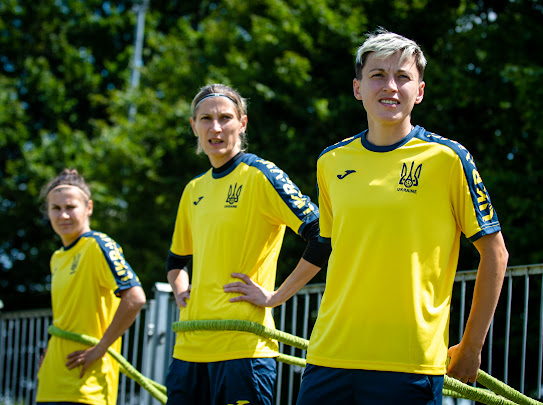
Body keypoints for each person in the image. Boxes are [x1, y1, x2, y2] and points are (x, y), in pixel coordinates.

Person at [292, 29, 509, 404]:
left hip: (409, 364)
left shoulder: (449, 159)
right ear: (358, 88)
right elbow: (329, 246)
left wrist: (472, 346)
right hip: (328, 356)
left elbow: (496, 253)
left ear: (419, 91)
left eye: (402, 76)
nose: (390, 86)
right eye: (377, 75)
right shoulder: (330, 162)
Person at [165, 83, 329, 405]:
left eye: (225, 118)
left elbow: (323, 234)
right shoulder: (193, 189)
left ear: (242, 123)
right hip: (189, 349)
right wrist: (181, 291)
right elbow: (175, 261)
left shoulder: (260, 175)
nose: (215, 128)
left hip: (243, 349)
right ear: (194, 126)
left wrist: (276, 296)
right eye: (206, 119)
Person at [36, 169, 146, 405]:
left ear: (89, 207)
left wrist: (100, 348)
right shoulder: (56, 257)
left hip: (87, 385)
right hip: (50, 382)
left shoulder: (97, 245)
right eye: (56, 208)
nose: (63, 215)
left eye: (70, 207)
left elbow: (135, 297)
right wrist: (49, 351)